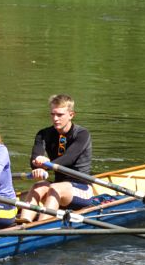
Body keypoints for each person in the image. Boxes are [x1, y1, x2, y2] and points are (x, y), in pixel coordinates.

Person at [18, 94, 93, 222]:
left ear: (71, 115)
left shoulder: (82, 134)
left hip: (81, 188)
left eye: (60, 115)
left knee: (55, 188)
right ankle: (23, 223)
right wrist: (38, 167)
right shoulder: (43, 134)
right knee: (38, 185)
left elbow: (68, 158)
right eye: (53, 114)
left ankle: (40, 226)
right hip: (58, 186)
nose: (55, 119)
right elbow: (34, 159)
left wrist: (46, 165)